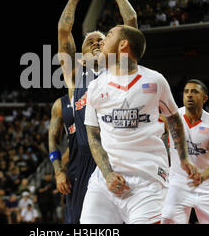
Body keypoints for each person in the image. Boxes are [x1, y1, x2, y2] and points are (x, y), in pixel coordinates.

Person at [81, 24, 197, 224]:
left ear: (123, 44)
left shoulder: (155, 81)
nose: (102, 42)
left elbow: (174, 118)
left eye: (108, 36)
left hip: (147, 181)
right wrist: (108, 174)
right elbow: (93, 134)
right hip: (105, 182)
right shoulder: (95, 86)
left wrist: (184, 157)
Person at [56, 0, 138, 223]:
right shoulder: (75, 76)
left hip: (118, 154)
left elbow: (132, 23)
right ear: (80, 53)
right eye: (90, 41)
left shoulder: (120, 68)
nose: (96, 42)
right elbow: (63, 32)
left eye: (101, 41)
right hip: (84, 160)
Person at [161, 80, 209, 224]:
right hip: (178, 181)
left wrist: (202, 177)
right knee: (166, 219)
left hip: (207, 182)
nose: (189, 95)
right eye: (186, 91)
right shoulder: (171, 117)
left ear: (204, 98)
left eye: (195, 92)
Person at [48, 93, 76, 223]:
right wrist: (59, 171)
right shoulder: (61, 104)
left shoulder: (99, 92)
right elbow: (52, 140)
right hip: (76, 166)